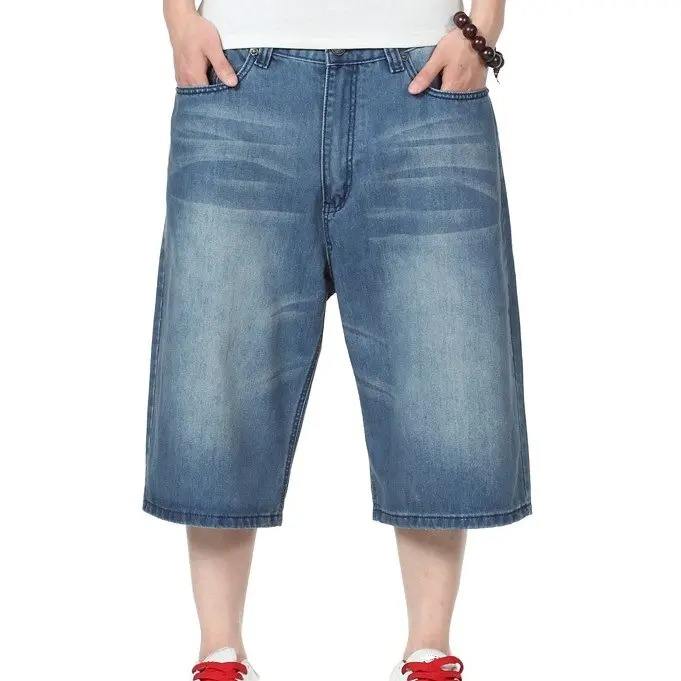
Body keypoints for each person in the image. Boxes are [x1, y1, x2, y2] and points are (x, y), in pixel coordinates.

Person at [144, 1, 530, 679]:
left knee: (440, 370)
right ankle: (218, 652)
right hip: (239, 74)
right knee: (218, 370)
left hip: (425, 77)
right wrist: (180, 21)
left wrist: (484, 29)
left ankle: (430, 650)